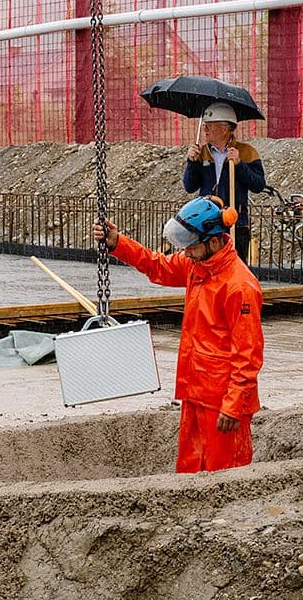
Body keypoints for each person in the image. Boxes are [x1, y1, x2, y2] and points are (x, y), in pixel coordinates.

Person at [92, 196, 263, 473]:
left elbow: (248, 353)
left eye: (192, 248)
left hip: (221, 400)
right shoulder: (199, 266)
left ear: (215, 242)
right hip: (195, 391)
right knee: (190, 470)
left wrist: (234, 405)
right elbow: (157, 265)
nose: (186, 254)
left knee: (225, 472)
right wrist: (118, 243)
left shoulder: (239, 287)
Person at [182, 102, 266, 262]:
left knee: (234, 268)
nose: (204, 130)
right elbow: (189, 186)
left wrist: (240, 164)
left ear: (224, 128)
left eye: (209, 126)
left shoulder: (247, 152)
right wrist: (192, 162)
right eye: (204, 126)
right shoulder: (202, 152)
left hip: (235, 222)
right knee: (208, 267)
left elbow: (258, 185)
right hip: (207, 223)